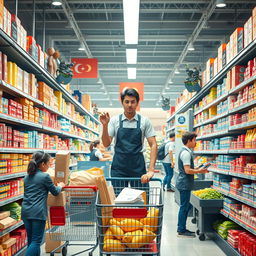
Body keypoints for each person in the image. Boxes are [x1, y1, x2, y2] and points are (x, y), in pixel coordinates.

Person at [100, 88, 157, 189]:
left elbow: (153, 144)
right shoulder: (114, 121)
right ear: (122, 102)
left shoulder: (145, 121)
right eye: (126, 102)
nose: (130, 105)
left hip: (138, 167)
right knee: (119, 201)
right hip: (119, 167)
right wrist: (105, 125)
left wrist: (151, 170)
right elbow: (106, 144)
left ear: (137, 103)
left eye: (132, 102)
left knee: (141, 199)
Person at [21, 151, 65, 256]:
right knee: (36, 242)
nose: (49, 167)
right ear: (42, 164)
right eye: (49, 164)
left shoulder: (27, 177)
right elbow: (55, 192)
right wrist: (61, 186)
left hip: (26, 212)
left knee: (31, 241)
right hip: (38, 212)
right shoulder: (45, 177)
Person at [176, 132, 208, 238]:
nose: (196, 142)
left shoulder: (185, 151)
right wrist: (199, 171)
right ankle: (181, 230)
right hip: (184, 183)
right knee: (184, 207)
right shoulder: (186, 153)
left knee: (186, 206)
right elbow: (187, 170)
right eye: (194, 140)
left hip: (184, 183)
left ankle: (181, 228)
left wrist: (198, 169)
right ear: (189, 141)